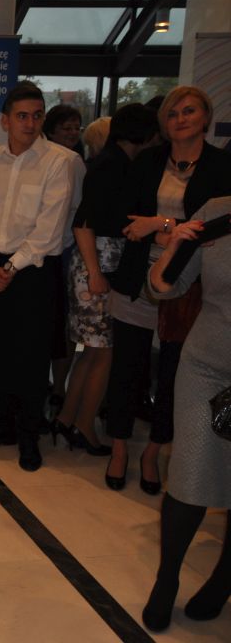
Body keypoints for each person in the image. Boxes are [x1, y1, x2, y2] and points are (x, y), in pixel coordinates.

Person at [106, 86, 231, 493]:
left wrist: (159, 225)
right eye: (173, 114)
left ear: (206, 117)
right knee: (126, 369)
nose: (181, 119)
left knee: (174, 375)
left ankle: (153, 452)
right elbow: (126, 219)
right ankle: (119, 449)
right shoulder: (148, 161)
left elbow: (214, 228)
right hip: (137, 279)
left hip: (189, 288)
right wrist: (172, 232)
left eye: (189, 111)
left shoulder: (222, 166)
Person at [0, 82, 75, 472]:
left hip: (33, 273)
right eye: (22, 116)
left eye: (37, 115)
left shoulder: (57, 162)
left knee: (30, 357)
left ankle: (29, 436)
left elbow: (48, 230)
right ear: (5, 121)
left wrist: (10, 268)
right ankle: (2, 426)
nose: (30, 123)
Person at [141, 199, 231, 632]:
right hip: (206, 367)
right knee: (189, 477)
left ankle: (223, 581)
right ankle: (167, 578)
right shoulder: (218, 212)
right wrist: (174, 246)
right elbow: (162, 287)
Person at [51, 104, 158, 455]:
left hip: (96, 264)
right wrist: (96, 273)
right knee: (104, 352)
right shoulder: (112, 166)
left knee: (93, 352)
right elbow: (83, 223)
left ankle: (68, 418)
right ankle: (84, 426)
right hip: (98, 265)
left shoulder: (109, 162)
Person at [43, 104, 86, 419]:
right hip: (40, 254)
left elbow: (79, 208)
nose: (72, 133)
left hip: (65, 252)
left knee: (62, 326)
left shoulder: (74, 162)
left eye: (76, 128)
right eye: (66, 128)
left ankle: (58, 387)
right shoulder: (41, 159)